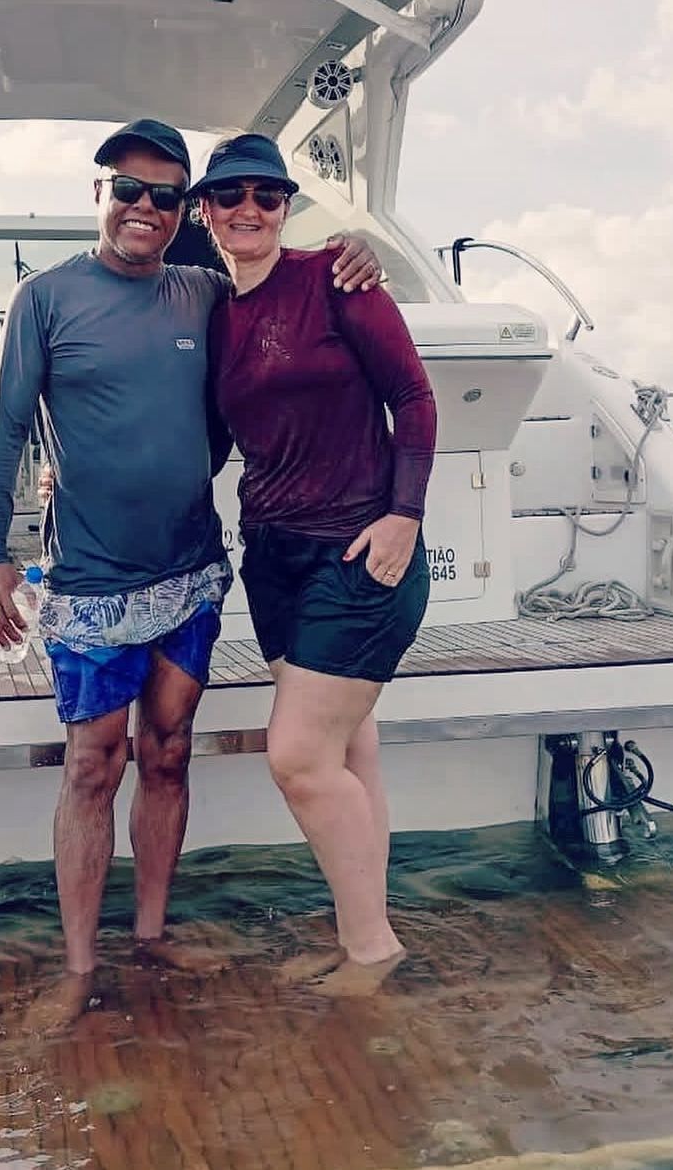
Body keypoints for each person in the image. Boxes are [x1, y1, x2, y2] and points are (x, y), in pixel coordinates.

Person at [0, 119, 382, 987]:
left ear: (182, 210)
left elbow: (278, 294)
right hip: (89, 581)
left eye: (164, 195)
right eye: (128, 189)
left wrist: (354, 249)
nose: (145, 208)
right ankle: (79, 969)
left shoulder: (204, 292)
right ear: (99, 194)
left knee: (167, 751)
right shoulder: (43, 299)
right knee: (93, 765)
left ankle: (151, 937)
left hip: (189, 575)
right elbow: (1, 432)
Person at [192, 132, 436, 986]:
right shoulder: (212, 316)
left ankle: (372, 949)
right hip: (273, 558)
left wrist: (406, 514)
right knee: (348, 747)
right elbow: (211, 441)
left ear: (285, 207)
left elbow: (413, 395)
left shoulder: (335, 276)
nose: (249, 209)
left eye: (267, 194)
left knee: (296, 755)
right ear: (207, 212)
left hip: (361, 549)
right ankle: (361, 925)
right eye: (231, 195)